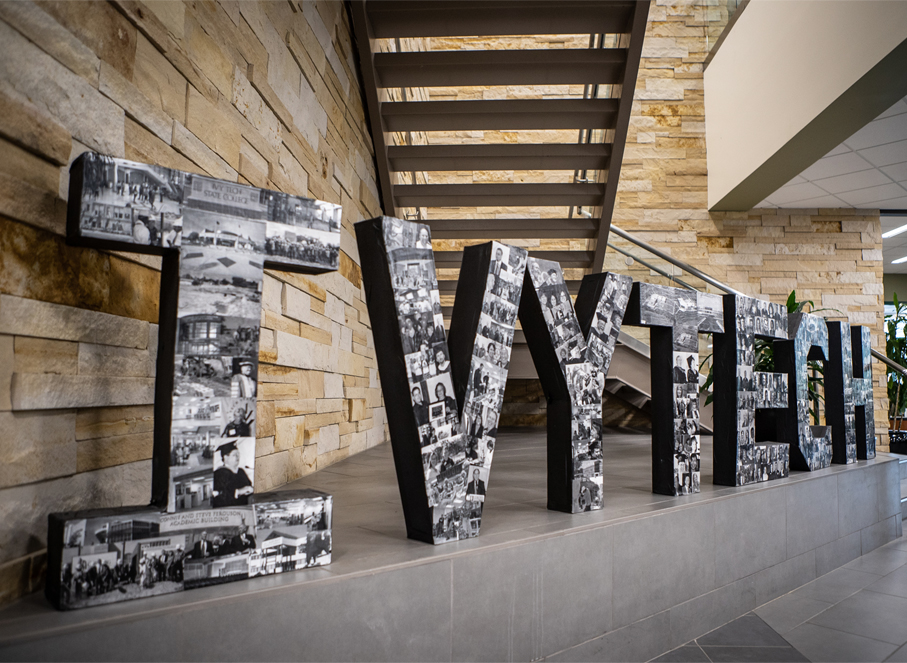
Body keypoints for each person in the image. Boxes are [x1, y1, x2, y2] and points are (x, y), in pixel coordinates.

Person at [212, 441, 253, 507]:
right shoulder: (219, 473)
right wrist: (240, 491)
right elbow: (221, 495)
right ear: (226, 458)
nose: (237, 457)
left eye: (238, 454)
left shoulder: (241, 471)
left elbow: (249, 485)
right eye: (234, 455)